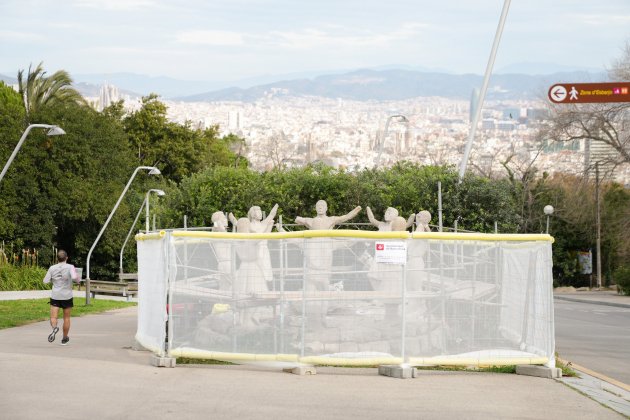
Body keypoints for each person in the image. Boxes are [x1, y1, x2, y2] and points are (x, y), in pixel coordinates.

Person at [43, 250, 80, 345]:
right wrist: (77, 280)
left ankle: (54, 328)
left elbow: (45, 281)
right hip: (67, 295)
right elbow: (75, 278)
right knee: (66, 318)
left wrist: (53, 279)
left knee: (53, 317)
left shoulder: (52, 268)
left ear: (57, 258)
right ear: (66, 258)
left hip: (55, 295)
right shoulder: (70, 267)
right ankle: (64, 339)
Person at [295, 200, 361, 230]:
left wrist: (354, 212)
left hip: (327, 247)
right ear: (315, 208)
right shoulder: (310, 220)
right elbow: (297, 219)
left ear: (326, 208)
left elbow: (346, 217)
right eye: (318, 206)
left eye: (322, 206)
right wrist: (298, 219)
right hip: (314, 248)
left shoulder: (331, 219)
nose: (320, 207)